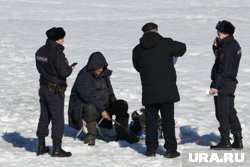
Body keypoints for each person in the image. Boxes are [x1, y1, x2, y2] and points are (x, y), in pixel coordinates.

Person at [132, 22, 186, 158]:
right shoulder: (166, 43)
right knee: (168, 120)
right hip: (167, 90)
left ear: (144, 33)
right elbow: (182, 49)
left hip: (149, 91)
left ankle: (151, 149)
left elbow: (137, 66)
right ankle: (170, 150)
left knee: (151, 120)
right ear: (156, 30)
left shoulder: (138, 49)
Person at [68, 52, 139, 146]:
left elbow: (109, 88)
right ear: (93, 66)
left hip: (103, 105)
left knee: (122, 105)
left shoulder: (103, 73)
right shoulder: (84, 76)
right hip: (84, 107)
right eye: (99, 67)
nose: (101, 69)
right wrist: (102, 110)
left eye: (102, 67)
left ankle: (123, 135)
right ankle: (90, 136)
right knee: (91, 107)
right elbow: (87, 96)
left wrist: (113, 98)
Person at [35, 27, 75, 157]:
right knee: (57, 119)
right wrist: (71, 68)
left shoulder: (40, 51)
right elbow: (64, 72)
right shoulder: (57, 53)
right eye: (62, 38)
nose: (63, 41)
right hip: (55, 90)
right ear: (58, 39)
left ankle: (41, 145)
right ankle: (57, 149)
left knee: (44, 116)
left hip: (43, 87)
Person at [209, 20, 243, 150]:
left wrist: (214, 85)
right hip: (230, 82)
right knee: (230, 111)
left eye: (219, 33)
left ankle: (225, 141)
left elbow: (223, 68)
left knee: (222, 112)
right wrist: (216, 47)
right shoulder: (233, 44)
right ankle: (238, 139)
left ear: (226, 33)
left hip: (223, 83)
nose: (217, 35)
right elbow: (221, 59)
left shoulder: (227, 48)